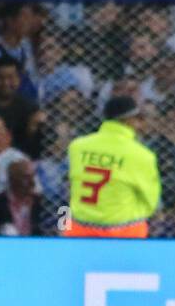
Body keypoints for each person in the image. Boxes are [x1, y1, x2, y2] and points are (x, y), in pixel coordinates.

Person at [65, 96, 161, 239]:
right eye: (139, 118)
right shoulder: (142, 155)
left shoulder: (77, 146)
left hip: (79, 229)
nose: (141, 124)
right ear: (129, 120)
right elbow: (151, 202)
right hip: (124, 232)